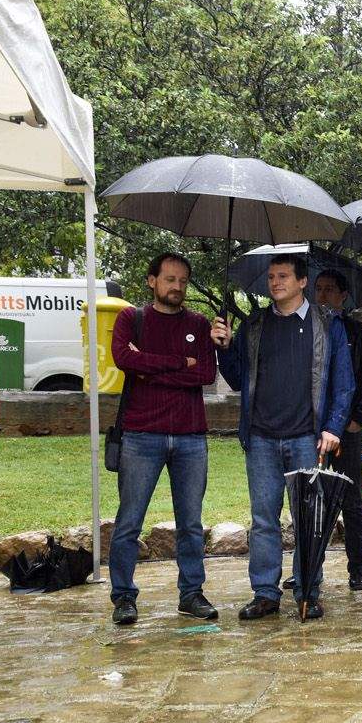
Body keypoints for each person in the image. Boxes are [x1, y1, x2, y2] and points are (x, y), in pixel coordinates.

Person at [212, 254, 353, 620]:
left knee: (309, 519)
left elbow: (344, 383)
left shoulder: (328, 324)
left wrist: (333, 427)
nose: (275, 282)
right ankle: (264, 593)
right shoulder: (255, 324)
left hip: (307, 437)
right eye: (272, 276)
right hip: (261, 437)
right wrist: (224, 348)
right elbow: (238, 378)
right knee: (263, 519)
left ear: (302, 281)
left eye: (283, 276)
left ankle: (308, 591)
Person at [106, 252, 218, 626]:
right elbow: (124, 359)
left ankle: (191, 593)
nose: (177, 287)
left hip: (190, 437)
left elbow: (205, 373)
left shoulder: (198, 324)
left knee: (191, 524)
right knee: (129, 522)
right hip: (141, 435)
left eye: (183, 281)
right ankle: (124, 597)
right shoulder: (131, 319)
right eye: (170, 279)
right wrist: (179, 362)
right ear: (152, 280)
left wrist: (149, 367)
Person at [312, 269, 362, 594]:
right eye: (318, 289)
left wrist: (356, 419)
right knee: (312, 501)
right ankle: (309, 569)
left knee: (351, 501)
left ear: (343, 296)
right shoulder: (307, 328)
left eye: (329, 289)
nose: (322, 295)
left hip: (347, 429)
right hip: (312, 429)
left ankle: (357, 569)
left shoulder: (360, 333)